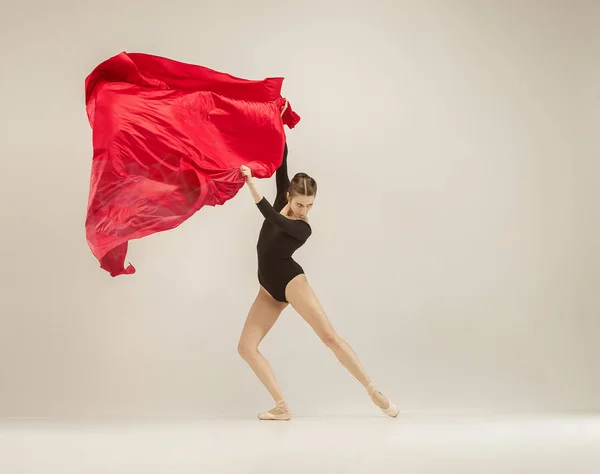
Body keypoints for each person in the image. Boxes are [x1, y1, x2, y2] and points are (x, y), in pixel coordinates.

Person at [237, 143, 399, 421]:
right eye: (299, 203)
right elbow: (281, 158)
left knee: (329, 336)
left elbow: (273, 217)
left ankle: (372, 390)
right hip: (267, 291)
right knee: (246, 347)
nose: (303, 210)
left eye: (310, 205)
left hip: (291, 281)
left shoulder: (302, 229)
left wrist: (251, 185)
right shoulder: (281, 197)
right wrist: (278, 117)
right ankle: (281, 406)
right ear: (288, 194)